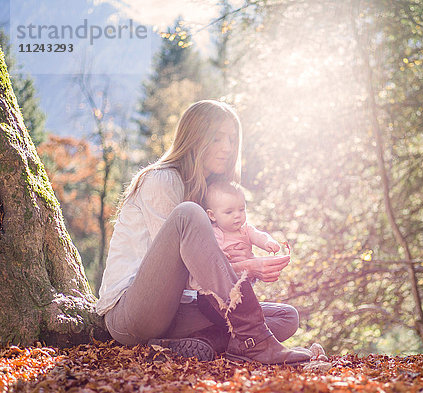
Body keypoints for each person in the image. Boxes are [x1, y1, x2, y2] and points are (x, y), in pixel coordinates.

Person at [96, 100, 310, 365]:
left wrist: (250, 259)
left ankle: (203, 343)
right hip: (133, 313)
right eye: (217, 137)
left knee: (286, 317)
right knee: (189, 213)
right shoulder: (163, 180)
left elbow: (207, 274)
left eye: (232, 139)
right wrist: (249, 267)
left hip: (181, 309)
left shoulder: (211, 194)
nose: (227, 147)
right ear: (195, 136)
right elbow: (184, 275)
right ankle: (255, 341)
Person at [203, 180, 281, 264]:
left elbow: (259, 236)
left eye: (241, 209)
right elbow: (209, 253)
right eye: (229, 212)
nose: (237, 215)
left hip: (250, 274)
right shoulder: (214, 233)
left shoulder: (246, 229)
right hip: (227, 274)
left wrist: (268, 242)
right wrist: (219, 255)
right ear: (212, 215)